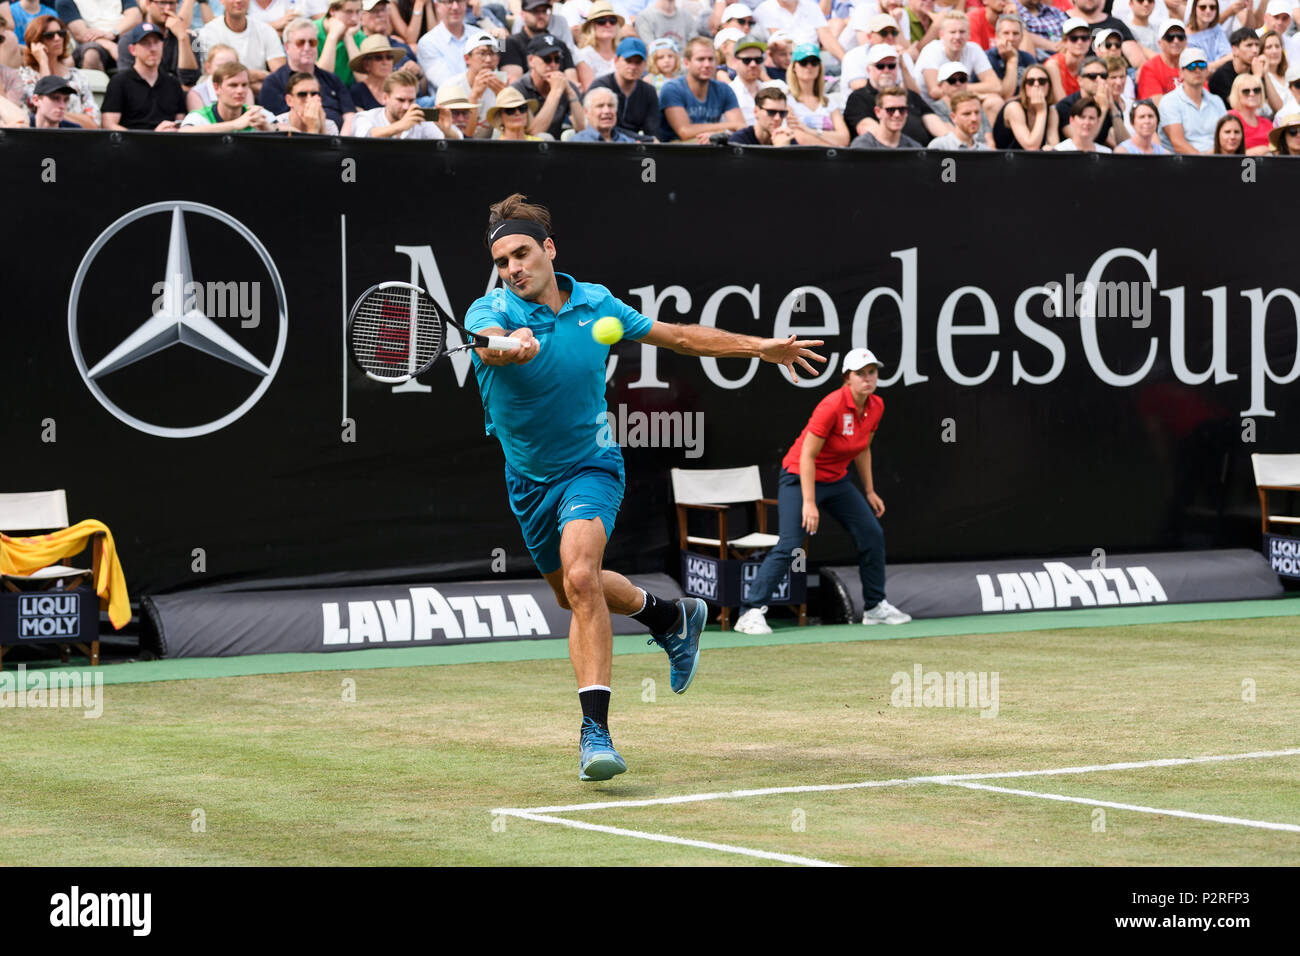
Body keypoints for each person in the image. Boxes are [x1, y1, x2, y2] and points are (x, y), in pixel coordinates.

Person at [464, 192, 825, 780]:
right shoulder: (490, 310)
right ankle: (668, 618)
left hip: (591, 465)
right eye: (502, 261)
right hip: (528, 481)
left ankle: (595, 734)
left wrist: (761, 348)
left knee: (583, 577)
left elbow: (679, 337)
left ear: (549, 249)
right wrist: (510, 346)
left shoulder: (597, 304)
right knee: (570, 593)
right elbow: (488, 342)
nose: (513, 269)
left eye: (522, 254)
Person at [734, 349, 911, 637]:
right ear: (847, 378)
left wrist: (869, 490)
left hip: (836, 481)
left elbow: (863, 449)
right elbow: (807, 456)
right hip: (799, 477)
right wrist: (809, 502)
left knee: (871, 534)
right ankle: (750, 612)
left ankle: (875, 607)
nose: (868, 378)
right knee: (791, 544)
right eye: (860, 373)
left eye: (872, 372)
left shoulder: (876, 406)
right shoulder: (831, 406)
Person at [259, 17, 355, 134]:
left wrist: (341, 139)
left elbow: (350, 114)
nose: (307, 48)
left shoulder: (332, 79)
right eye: (301, 43)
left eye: (312, 42)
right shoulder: (273, 82)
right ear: (286, 47)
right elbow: (273, 124)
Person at [844, 43, 948, 142]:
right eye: (880, 66)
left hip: (923, 150)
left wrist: (951, 140)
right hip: (884, 151)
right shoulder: (858, 97)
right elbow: (866, 127)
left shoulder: (910, 95)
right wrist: (905, 145)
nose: (886, 70)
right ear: (869, 69)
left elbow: (933, 121)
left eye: (891, 66)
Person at [101, 21, 186, 128]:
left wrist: (172, 131)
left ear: (162, 46)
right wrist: (148, 136)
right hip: (131, 138)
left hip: (167, 137)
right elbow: (108, 125)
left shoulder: (173, 83)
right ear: (132, 49)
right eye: (145, 43)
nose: (153, 49)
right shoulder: (119, 82)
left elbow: (180, 124)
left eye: (156, 42)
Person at [658, 34, 743, 141]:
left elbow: (741, 127)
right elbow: (684, 132)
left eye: (711, 59)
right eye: (701, 59)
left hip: (710, 146)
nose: (707, 64)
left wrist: (716, 134)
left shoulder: (723, 89)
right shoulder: (672, 89)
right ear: (686, 63)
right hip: (675, 147)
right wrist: (729, 127)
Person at [18, 13, 96, 126]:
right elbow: (31, 116)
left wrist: (55, 113)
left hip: (75, 135)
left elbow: (93, 124)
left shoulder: (78, 76)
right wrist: (43, 63)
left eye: (61, 33)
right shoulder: (23, 77)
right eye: (49, 35)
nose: (58, 38)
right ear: (35, 41)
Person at [198, 0, 286, 93]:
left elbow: (280, 75)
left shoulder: (266, 30)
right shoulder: (208, 32)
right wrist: (257, 76)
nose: (238, 1)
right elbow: (217, 77)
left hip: (261, 93)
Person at [511, 31, 586, 137]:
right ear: (531, 60)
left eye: (557, 59)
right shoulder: (518, 89)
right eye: (547, 59)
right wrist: (555, 93)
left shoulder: (564, 84)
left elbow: (583, 130)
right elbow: (533, 134)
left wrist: (570, 92)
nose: (553, 64)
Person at [115, 0, 199, 87]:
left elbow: (190, 81)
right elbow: (127, 81)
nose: (168, 8)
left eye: (172, 3)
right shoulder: (131, 39)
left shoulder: (188, 38)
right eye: (162, 3)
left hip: (180, 93)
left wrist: (183, 38)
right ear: (148, 4)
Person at [590, 35, 660, 139]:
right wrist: (642, 139)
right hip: (601, 141)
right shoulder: (600, 86)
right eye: (628, 61)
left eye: (638, 62)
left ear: (645, 64)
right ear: (616, 61)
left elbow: (652, 130)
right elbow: (594, 125)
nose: (633, 67)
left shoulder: (649, 91)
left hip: (636, 145)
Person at [1158, 45, 1226, 151]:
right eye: (1191, 66)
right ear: (1181, 72)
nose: (1197, 70)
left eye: (1202, 65)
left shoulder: (1216, 101)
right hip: (1184, 160)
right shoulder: (1169, 102)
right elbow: (1178, 143)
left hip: (1216, 156)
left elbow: (1226, 135)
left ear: (1207, 70)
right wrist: (1207, 159)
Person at [181, 59, 278, 127]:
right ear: (216, 88)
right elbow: (184, 133)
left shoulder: (258, 115)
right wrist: (235, 124)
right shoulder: (200, 117)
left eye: (244, 85)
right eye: (233, 85)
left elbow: (286, 130)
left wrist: (270, 128)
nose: (240, 91)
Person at [786, 41, 849, 143]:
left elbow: (844, 138)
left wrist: (808, 130)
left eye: (814, 62)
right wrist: (833, 145)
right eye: (803, 62)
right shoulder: (787, 100)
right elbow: (799, 138)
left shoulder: (829, 101)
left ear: (819, 67)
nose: (809, 66)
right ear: (794, 67)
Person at [502, 0, 577, 84]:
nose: (541, 16)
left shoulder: (559, 44)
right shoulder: (511, 43)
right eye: (535, 11)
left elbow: (573, 83)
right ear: (523, 14)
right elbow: (513, 85)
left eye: (544, 11)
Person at [753, 0, 846, 68]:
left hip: (814, 62)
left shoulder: (811, 6)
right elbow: (781, 43)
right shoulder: (765, 9)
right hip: (786, 66)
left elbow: (826, 36)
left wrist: (845, 61)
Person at [441, 29, 505, 126]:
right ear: (467, 58)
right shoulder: (450, 87)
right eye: (482, 53)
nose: (488, 60)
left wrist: (504, 98)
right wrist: (473, 96)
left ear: (498, 59)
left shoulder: (502, 83)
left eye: (492, 54)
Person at [353, 67, 444, 134]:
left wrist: (448, 131)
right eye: (400, 100)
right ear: (385, 98)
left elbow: (441, 142)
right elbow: (366, 135)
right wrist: (401, 125)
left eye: (411, 100)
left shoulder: (420, 120)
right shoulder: (367, 118)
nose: (406, 107)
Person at [992, 59, 1058, 146]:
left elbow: (1054, 144)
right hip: (1008, 154)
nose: (1036, 85)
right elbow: (1031, 147)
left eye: (1042, 81)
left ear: (1049, 86)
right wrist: (1041, 112)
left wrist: (1050, 148)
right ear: (1024, 86)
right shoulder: (1014, 108)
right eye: (1031, 82)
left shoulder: (1052, 112)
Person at [850, 83, 923, 145]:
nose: (897, 114)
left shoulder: (914, 148)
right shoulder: (862, 146)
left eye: (902, 109)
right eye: (890, 110)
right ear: (878, 112)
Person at [985, 12, 1035, 100]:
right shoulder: (986, 58)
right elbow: (1005, 96)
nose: (1011, 38)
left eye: (1015, 33)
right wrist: (1012, 60)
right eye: (1006, 33)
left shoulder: (1028, 59)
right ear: (997, 36)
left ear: (1022, 37)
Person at [1136, 19, 1187, 103]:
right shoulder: (1150, 68)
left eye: (1180, 36)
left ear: (1186, 41)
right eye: (1170, 37)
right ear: (1160, 43)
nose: (1176, 41)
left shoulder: (1193, 64)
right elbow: (1157, 104)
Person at [728, 80, 795, 141]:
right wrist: (780, 148)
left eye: (782, 113)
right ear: (756, 111)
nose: (777, 118)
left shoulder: (787, 138)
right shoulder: (739, 140)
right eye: (771, 112)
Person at [1208, 29, 1262, 105]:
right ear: (1235, 50)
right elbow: (1241, 106)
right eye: (1249, 45)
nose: (1255, 50)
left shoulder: (1256, 69)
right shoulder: (1222, 75)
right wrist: (1257, 77)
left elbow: (1275, 105)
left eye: (1257, 45)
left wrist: (1266, 75)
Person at [275, 69, 340, 131]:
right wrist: (313, 128)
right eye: (302, 94)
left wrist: (322, 127)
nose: (309, 99)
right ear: (289, 100)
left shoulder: (329, 125)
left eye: (314, 94)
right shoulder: (277, 124)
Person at [574, 0, 619, 90]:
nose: (608, 25)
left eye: (612, 20)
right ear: (591, 26)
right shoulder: (583, 55)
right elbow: (590, 90)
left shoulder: (623, 51)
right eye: (601, 21)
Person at [348, 32, 401, 109]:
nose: (385, 62)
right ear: (366, 64)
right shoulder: (357, 92)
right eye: (378, 58)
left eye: (389, 57)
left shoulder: (399, 87)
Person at [317, 0, 363, 86]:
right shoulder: (312, 31)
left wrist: (348, 38)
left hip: (347, 92)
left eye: (358, 12)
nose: (354, 18)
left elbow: (364, 81)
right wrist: (333, 36)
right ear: (332, 11)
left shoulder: (359, 36)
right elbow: (323, 78)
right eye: (348, 12)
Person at [1044, 16, 1091, 100]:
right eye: (1074, 38)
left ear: (1090, 41)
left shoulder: (1090, 67)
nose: (1080, 42)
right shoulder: (1053, 65)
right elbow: (1060, 101)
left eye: (1084, 38)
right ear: (1064, 42)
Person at [1226, 70, 1273, 151]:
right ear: (1237, 94)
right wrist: (1254, 152)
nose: (1252, 94)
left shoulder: (1267, 124)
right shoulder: (1230, 119)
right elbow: (1226, 152)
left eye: (1256, 90)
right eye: (1246, 91)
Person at [570, 82, 636, 137]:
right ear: (586, 112)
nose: (607, 111)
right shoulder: (578, 144)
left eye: (610, 105)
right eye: (600, 106)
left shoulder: (628, 142)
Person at [727, 32, 766, 121]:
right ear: (735, 62)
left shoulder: (770, 89)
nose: (753, 64)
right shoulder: (728, 93)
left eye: (758, 60)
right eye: (747, 60)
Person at [188, 42, 238, 110]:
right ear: (208, 67)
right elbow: (198, 117)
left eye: (231, 66)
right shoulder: (196, 93)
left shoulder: (244, 89)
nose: (227, 70)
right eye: (221, 66)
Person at [1186, 0, 1231, 69]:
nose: (1208, 11)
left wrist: (1213, 65)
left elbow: (1230, 55)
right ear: (1194, 9)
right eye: (1203, 7)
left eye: (1212, 7)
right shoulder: (1185, 36)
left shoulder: (1217, 28)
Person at [1259, 29, 1289, 113]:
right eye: (1269, 47)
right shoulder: (1260, 78)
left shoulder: (1289, 73)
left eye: (1277, 46)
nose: (1274, 51)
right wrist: (1265, 74)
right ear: (1261, 52)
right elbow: (1278, 109)